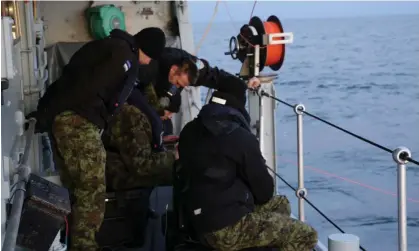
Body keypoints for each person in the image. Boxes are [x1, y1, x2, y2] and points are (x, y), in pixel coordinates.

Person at [34, 27, 167, 251]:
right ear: (147, 50)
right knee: (92, 188)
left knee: (76, 187)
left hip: (68, 118)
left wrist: (47, 112)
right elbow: (88, 86)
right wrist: (49, 114)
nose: (147, 64)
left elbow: (71, 78)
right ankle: (84, 246)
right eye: (150, 58)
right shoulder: (123, 56)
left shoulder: (110, 46)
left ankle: (71, 242)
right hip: (78, 121)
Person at [177, 78, 318, 251]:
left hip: (194, 221)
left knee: (280, 204)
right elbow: (264, 192)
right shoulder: (240, 137)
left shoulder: (189, 130)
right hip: (223, 230)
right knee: (305, 234)